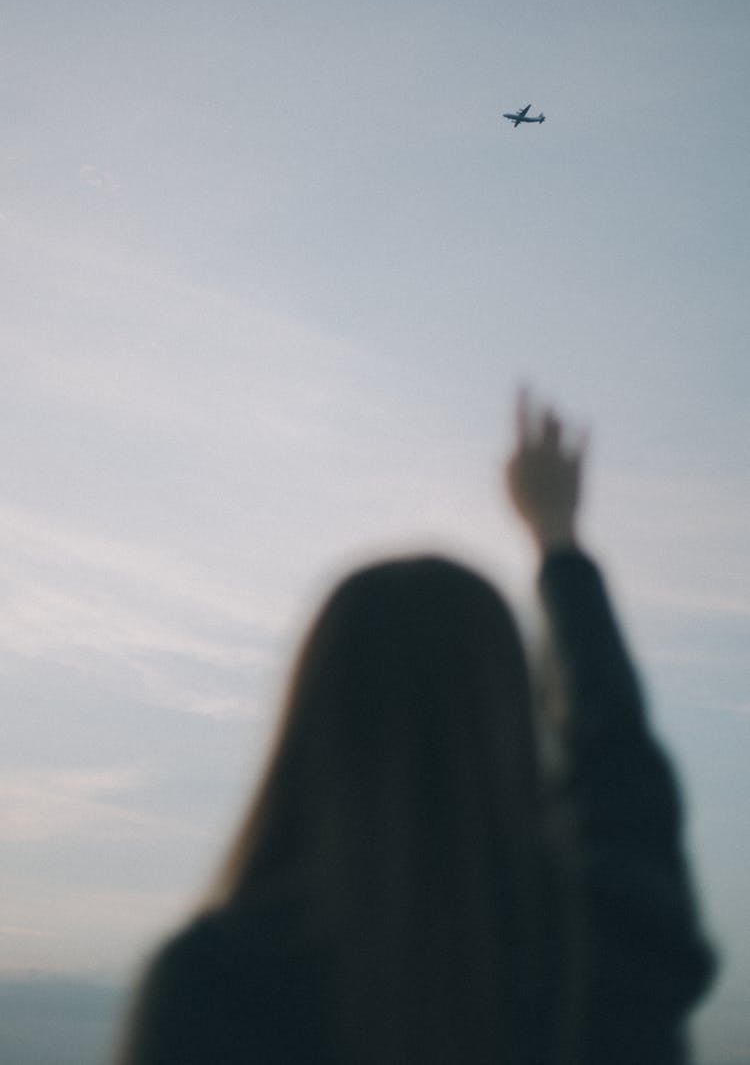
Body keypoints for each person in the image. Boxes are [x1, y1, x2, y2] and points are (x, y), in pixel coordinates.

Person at [116, 393, 715, 1065]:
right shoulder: (599, 956)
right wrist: (557, 538)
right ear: (511, 722)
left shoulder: (214, 986)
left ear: (312, 727)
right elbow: (617, 761)